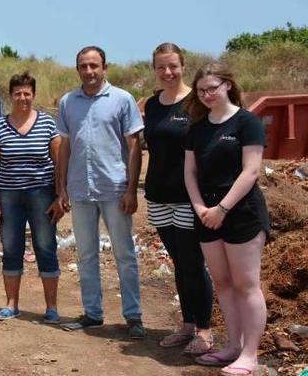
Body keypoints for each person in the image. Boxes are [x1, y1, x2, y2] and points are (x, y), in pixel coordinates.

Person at [184, 62, 270, 374]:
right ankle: (233, 345)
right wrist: (201, 209)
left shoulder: (247, 123)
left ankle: (250, 353)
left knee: (246, 284)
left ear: (228, 86)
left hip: (241, 213)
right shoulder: (196, 128)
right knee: (223, 282)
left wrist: (221, 209)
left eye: (212, 88)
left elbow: (251, 171)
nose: (207, 94)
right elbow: (189, 173)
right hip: (206, 214)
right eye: (201, 90)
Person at [57, 46, 146, 339]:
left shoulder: (122, 99)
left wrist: (132, 189)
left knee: (124, 254)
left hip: (114, 189)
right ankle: (93, 314)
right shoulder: (69, 102)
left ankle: (133, 317)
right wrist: (61, 188)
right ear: (78, 69)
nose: (89, 71)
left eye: (94, 65)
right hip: (80, 190)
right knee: (85, 254)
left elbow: (134, 146)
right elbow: (65, 147)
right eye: (83, 66)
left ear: (104, 67)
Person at [144, 43, 214, 355]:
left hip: (189, 197)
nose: (167, 72)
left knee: (192, 262)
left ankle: (204, 330)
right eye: (161, 67)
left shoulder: (197, 102)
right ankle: (187, 325)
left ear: (183, 66)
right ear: (154, 70)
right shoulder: (151, 104)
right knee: (178, 262)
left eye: (173, 66)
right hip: (158, 196)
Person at [0, 72, 64, 323]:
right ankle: (11, 305)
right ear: (11, 96)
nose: (22, 98)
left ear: (33, 95)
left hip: (42, 194)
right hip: (9, 197)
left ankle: (51, 308)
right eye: (17, 93)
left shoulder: (48, 124)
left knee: (45, 246)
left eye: (27, 93)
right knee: (11, 248)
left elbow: (59, 162)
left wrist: (61, 195)